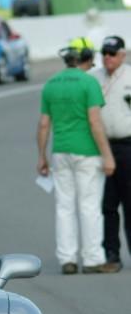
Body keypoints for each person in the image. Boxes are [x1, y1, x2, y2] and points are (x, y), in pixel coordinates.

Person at [37, 40, 117, 274]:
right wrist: (108, 156)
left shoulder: (51, 84)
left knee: (64, 206)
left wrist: (42, 156)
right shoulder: (89, 82)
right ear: (87, 57)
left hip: (60, 151)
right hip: (87, 153)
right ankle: (92, 259)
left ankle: (67, 259)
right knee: (89, 206)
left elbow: (44, 124)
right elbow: (95, 122)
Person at [91, 35, 131, 271]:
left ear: (122, 55)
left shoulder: (129, 76)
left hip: (128, 145)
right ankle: (111, 254)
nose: (107, 57)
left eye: (112, 53)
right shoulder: (93, 78)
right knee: (107, 204)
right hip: (101, 146)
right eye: (104, 52)